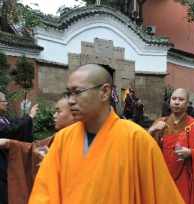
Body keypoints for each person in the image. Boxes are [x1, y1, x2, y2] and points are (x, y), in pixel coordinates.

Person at [29, 64, 184, 204]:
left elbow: (163, 195)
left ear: (104, 92)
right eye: (69, 93)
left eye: (77, 92)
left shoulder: (136, 139)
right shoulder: (63, 139)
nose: (70, 101)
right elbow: (44, 192)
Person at [0, 98, 75, 204]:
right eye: (3, 101)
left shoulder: (76, 138)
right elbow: (34, 147)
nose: (54, 116)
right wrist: (9, 143)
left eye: (58, 111)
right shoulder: (61, 137)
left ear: (74, 114)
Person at [149, 88, 194, 204]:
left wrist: (191, 152)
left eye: (181, 99)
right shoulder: (160, 122)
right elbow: (147, 149)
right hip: (162, 175)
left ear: (187, 103)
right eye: (174, 99)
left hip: (184, 176)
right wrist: (151, 131)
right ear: (170, 101)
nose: (176, 102)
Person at [0, 91, 38, 204]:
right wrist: (29, 117)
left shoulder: (4, 118)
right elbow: (10, 130)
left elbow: (15, 124)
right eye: (4, 101)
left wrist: (27, 117)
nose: (6, 103)